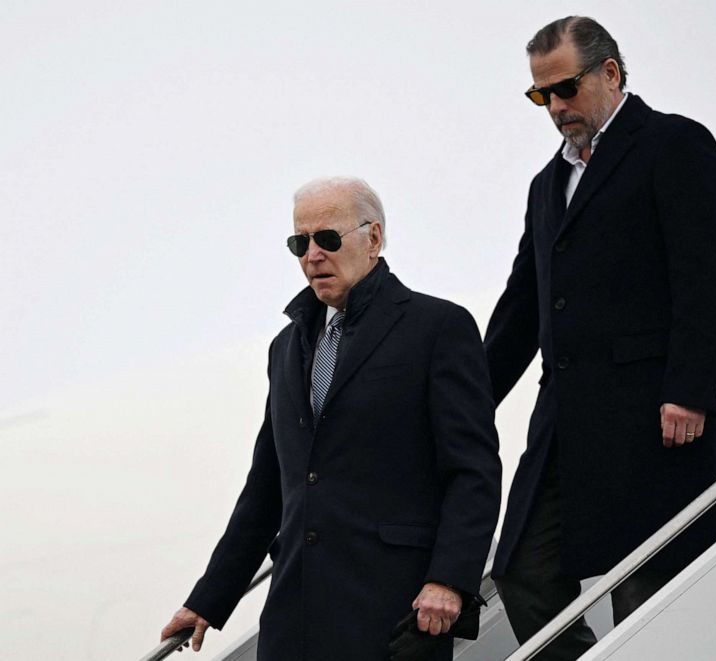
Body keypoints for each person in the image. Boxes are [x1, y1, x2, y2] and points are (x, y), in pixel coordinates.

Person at [484, 16, 716, 658]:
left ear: (611, 72)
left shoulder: (674, 143)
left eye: (566, 88)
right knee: (523, 571)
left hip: (657, 417)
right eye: (541, 95)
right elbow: (523, 307)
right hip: (566, 422)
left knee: (646, 595)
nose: (556, 106)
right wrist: (464, 399)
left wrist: (690, 389)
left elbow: (711, 274)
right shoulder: (547, 185)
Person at [160, 177, 501, 660]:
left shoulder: (437, 328)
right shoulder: (286, 348)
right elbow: (267, 487)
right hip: (295, 617)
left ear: (374, 238)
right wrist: (208, 600)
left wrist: (449, 579)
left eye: (328, 239)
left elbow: (474, 470)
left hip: (395, 612)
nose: (312, 255)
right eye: (300, 243)